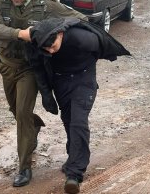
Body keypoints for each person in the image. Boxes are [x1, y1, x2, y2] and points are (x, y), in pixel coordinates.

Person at [0, 0, 87, 187]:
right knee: (16, 110)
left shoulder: (45, 6)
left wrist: (59, 33)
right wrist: (20, 34)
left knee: (22, 113)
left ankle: (24, 167)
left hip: (29, 68)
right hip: (6, 65)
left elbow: (79, 18)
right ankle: (34, 126)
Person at [26, 17, 131, 194]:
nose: (51, 51)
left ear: (60, 35)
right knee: (68, 120)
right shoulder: (36, 44)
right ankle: (73, 158)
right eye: (47, 49)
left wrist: (85, 67)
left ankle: (74, 174)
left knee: (78, 122)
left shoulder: (82, 38)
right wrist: (46, 95)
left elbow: (100, 47)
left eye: (54, 46)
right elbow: (38, 69)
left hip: (83, 79)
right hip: (61, 81)